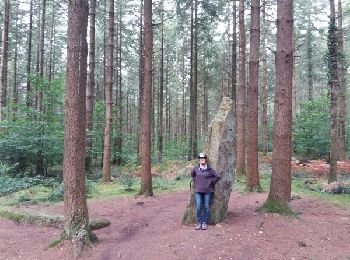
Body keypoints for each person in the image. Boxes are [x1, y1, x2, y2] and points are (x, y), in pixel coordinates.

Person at [191, 152, 221, 230]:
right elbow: (193, 175)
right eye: (201, 159)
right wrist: (196, 181)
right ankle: (199, 222)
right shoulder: (196, 169)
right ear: (199, 160)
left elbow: (218, 177)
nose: (202, 160)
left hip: (208, 191)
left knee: (206, 206)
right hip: (198, 190)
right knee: (198, 206)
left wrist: (211, 182)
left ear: (205, 160)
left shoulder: (210, 170)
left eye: (203, 159)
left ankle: (205, 222)